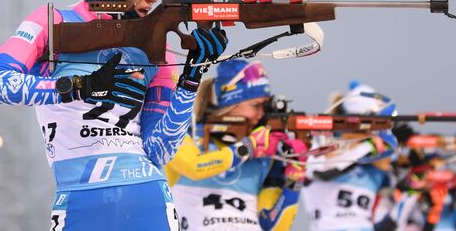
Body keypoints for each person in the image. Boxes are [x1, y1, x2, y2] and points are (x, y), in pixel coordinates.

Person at [0, 0, 227, 230]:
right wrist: (78, 87)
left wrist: (192, 78)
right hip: (79, 201)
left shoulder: (156, 48)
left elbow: (160, 150)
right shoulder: (52, 22)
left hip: (147, 197)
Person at [164, 60, 307, 230]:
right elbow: (195, 167)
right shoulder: (186, 133)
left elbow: (272, 225)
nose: (262, 115)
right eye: (256, 106)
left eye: (266, 106)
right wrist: (247, 147)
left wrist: (294, 179)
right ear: (230, 103)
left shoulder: (265, 155)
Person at [301, 81, 419, 231]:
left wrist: (413, 183)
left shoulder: (373, 171)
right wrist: (368, 146)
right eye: (377, 127)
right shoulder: (318, 147)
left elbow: (392, 224)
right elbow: (322, 173)